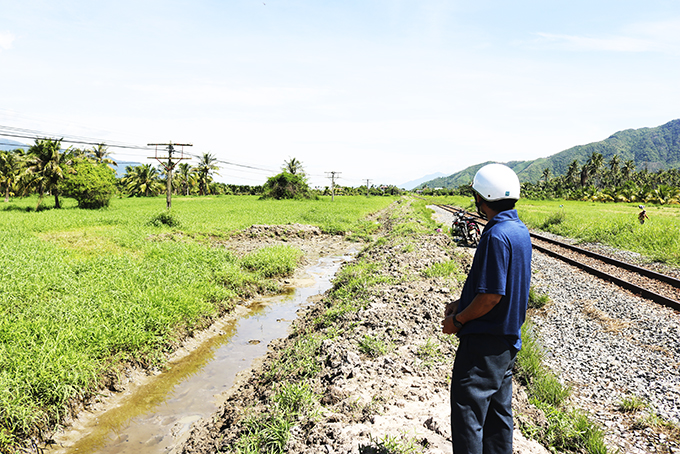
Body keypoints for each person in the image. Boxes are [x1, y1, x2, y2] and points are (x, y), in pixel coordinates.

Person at [442, 163, 532, 454]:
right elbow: (499, 286)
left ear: (483, 198)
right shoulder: (517, 230)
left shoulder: (495, 236)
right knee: (497, 416)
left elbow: (492, 295)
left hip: (483, 344)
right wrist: (462, 302)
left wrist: (458, 319)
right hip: (505, 343)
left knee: (468, 413)